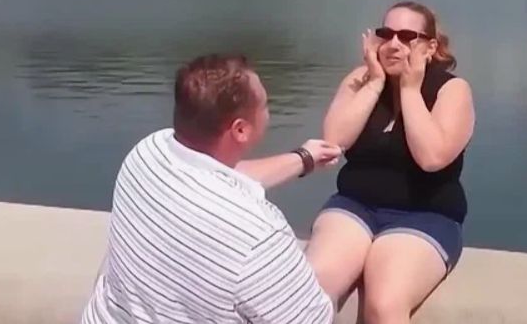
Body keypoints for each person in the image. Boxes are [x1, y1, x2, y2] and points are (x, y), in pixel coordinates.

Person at [81, 54, 341, 324]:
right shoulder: (258, 234)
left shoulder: (148, 151)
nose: (268, 111)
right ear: (240, 130)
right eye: (265, 104)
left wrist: (303, 158)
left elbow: (224, 178)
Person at [306, 1, 476, 323]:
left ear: (430, 47)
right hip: (355, 205)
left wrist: (410, 90)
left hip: (425, 214)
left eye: (407, 36)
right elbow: (335, 141)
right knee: (310, 286)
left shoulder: (452, 90)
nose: (394, 44)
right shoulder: (361, 79)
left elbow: (432, 157)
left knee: (383, 302)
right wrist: (374, 84)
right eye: (386, 34)